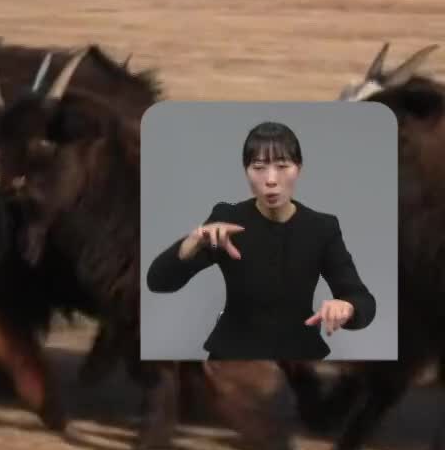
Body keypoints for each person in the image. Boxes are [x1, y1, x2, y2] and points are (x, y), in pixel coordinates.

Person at [144, 121, 378, 361]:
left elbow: (362, 300)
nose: (271, 180)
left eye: (282, 166)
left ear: (299, 168)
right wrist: (192, 241)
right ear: (246, 171)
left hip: (299, 361)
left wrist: (347, 308)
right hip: (232, 360)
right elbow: (158, 281)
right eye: (259, 167)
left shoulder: (322, 227)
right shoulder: (227, 221)